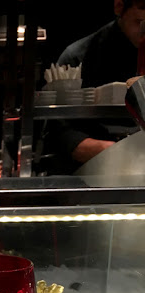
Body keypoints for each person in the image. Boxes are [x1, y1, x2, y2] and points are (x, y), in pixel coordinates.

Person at [53, 0, 145, 169]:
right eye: (139, 23)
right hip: (95, 168)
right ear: (119, 7)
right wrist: (112, 152)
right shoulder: (77, 58)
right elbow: (59, 131)